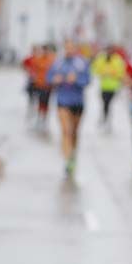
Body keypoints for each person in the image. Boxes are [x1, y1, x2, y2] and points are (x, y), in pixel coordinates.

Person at [47, 40, 91, 177]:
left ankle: (73, 154)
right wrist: (55, 79)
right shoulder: (58, 63)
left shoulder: (82, 63)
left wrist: (76, 80)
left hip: (77, 102)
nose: (69, 50)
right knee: (66, 131)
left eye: (71, 48)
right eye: (67, 48)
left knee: (74, 132)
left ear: (75, 49)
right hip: (62, 101)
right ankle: (67, 160)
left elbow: (88, 80)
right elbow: (49, 78)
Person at [92, 45, 127, 130]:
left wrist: (113, 73)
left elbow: (121, 72)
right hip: (104, 86)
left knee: (108, 103)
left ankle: (106, 118)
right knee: (105, 103)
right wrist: (102, 72)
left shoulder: (117, 59)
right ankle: (105, 118)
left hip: (113, 87)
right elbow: (95, 69)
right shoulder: (101, 58)